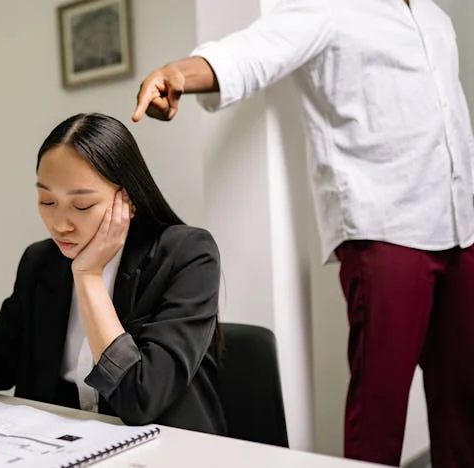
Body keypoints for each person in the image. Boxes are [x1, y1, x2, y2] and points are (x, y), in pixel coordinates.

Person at [131, 0, 474, 466]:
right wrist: (178, 74)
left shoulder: (435, 17)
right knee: (380, 406)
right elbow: (252, 51)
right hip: (385, 225)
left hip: (460, 225)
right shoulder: (331, 8)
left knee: (463, 398)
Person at [0, 112, 227, 446]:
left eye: (82, 206)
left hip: (171, 450)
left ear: (128, 200)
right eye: (47, 201)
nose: (60, 224)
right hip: (64, 447)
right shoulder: (41, 261)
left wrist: (88, 276)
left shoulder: (188, 254)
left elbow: (141, 397)